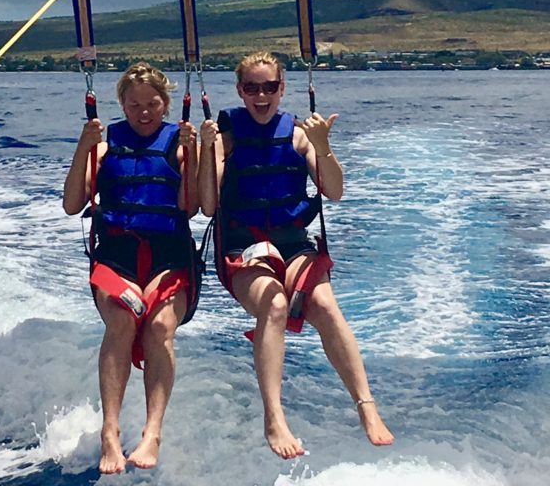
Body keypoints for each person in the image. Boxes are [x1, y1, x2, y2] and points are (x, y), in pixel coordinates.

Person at [198, 51, 393, 458]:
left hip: (291, 240)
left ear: (282, 89)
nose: (261, 95)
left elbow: (334, 191)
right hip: (243, 242)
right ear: (240, 91)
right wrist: (207, 153)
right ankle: (274, 417)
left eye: (269, 87)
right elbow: (208, 206)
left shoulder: (300, 135)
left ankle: (366, 406)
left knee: (324, 302)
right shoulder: (225, 136)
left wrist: (323, 148)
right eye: (252, 88)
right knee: (274, 304)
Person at [63, 62, 200, 474]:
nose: (144, 112)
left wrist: (195, 155)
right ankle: (110, 432)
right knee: (122, 322)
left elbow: (191, 207)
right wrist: (83, 149)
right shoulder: (104, 148)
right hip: (117, 256)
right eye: (134, 104)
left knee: (159, 328)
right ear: (122, 104)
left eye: (152, 104)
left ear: (166, 104)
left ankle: (152, 432)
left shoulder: (179, 144)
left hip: (169, 254)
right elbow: (72, 204)